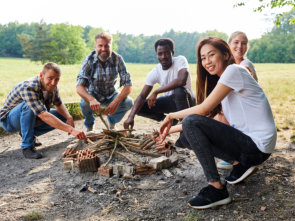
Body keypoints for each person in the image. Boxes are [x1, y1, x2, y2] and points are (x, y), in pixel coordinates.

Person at [159, 37, 277, 209]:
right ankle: (239, 165)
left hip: (256, 147)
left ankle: (217, 189)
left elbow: (203, 110)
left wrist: (170, 116)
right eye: (203, 58)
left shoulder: (233, 71)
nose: (207, 62)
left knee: (191, 122)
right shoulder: (226, 83)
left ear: (225, 54)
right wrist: (168, 131)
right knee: (186, 136)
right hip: (253, 147)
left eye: (211, 55)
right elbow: (212, 120)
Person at [0, 62, 87, 159]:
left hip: (29, 117)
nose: (53, 82)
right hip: (9, 121)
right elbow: (43, 115)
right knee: (28, 107)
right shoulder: (28, 87)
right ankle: (27, 147)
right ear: (42, 75)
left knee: (62, 115)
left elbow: (58, 104)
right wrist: (71, 130)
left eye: (57, 79)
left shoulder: (52, 87)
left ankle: (29, 133)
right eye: (50, 78)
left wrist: (69, 118)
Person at [124, 38, 195, 130]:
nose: (163, 56)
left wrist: (156, 91)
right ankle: (168, 120)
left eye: (166, 53)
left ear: (172, 53)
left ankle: (185, 129)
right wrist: (131, 116)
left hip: (187, 101)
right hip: (170, 103)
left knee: (179, 91)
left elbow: (181, 80)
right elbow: (141, 96)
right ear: (157, 55)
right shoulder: (155, 71)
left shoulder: (180, 60)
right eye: (160, 54)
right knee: (140, 106)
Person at [217, 31, 258, 169]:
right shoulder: (228, 64)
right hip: (236, 106)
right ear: (229, 44)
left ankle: (238, 158)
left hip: (247, 109)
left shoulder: (246, 64)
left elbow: (244, 71)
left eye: (244, 43)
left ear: (247, 46)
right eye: (236, 42)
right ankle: (234, 156)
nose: (240, 46)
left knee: (220, 118)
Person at [77, 32, 133, 131]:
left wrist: (116, 101)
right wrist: (91, 99)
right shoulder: (89, 60)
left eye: (107, 46)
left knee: (129, 102)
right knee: (84, 103)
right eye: (100, 46)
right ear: (95, 47)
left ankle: (111, 122)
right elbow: (79, 87)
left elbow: (128, 85)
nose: (103, 49)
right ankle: (90, 126)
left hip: (112, 95)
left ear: (111, 46)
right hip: (93, 94)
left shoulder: (118, 59)